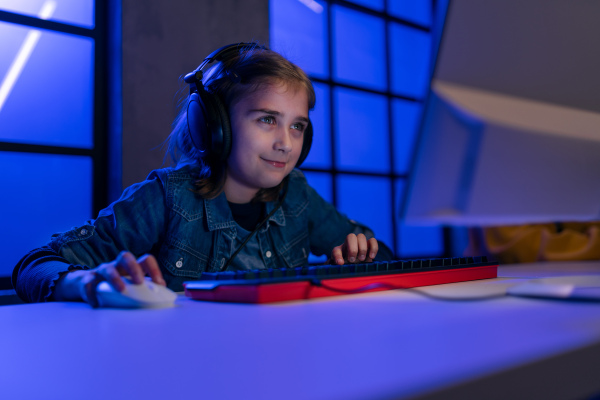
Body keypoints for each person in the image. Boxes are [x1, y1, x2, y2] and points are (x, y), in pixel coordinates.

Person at [12, 42, 393, 306]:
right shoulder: (167, 197)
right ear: (213, 125)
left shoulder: (297, 196)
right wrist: (89, 281)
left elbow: (386, 262)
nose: (286, 144)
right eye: (267, 120)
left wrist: (363, 254)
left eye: (297, 127)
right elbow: (34, 265)